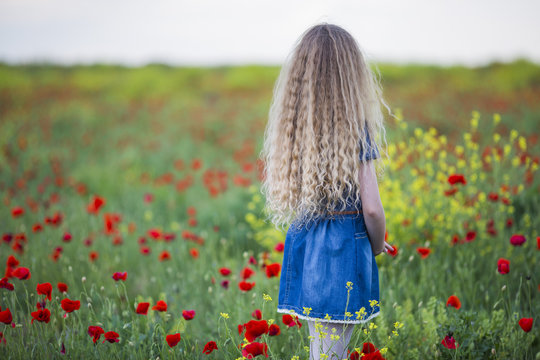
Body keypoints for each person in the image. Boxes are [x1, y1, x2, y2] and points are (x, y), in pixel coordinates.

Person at [260, 23, 394, 360]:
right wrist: (377, 245)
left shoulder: (296, 129)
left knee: (322, 350)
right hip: (342, 251)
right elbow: (373, 210)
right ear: (351, 75)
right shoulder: (356, 129)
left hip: (307, 243)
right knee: (330, 355)